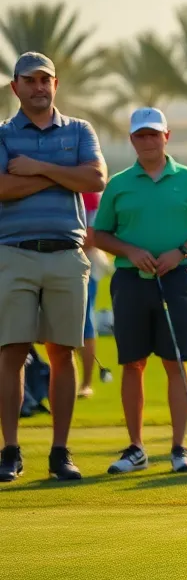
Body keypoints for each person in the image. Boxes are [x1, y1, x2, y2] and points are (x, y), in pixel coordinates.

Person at [91, 108, 187, 473]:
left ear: (167, 136)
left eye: (153, 134)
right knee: (133, 362)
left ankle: (179, 447)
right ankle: (136, 447)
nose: (147, 141)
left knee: (175, 361)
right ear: (132, 140)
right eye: (140, 136)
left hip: (176, 278)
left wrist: (180, 252)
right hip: (130, 280)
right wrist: (129, 250)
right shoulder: (118, 183)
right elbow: (100, 234)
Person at [0, 52, 106, 483]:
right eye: (31, 81)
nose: (39, 87)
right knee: (12, 352)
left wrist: (40, 169)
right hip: (13, 252)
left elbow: (96, 178)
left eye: (46, 80)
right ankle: (9, 450)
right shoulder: (3, 134)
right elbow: (2, 188)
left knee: (63, 352)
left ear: (55, 85)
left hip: (66, 252)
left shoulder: (79, 130)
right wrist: (65, 173)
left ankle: (60, 452)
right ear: (16, 88)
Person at [76, 189, 103, 398]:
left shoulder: (90, 192)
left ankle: (85, 383)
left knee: (85, 324)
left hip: (83, 266)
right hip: (44, 264)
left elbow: (91, 237)